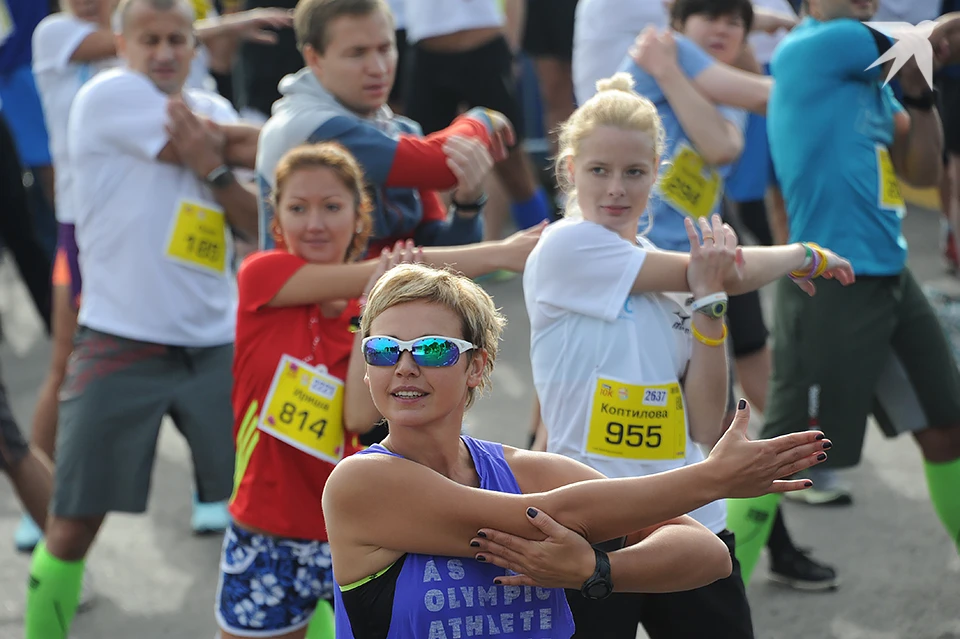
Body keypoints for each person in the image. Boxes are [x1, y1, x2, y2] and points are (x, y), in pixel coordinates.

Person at [505, 72, 852, 638]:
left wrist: (710, 304)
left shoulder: (678, 277)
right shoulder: (566, 248)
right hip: (591, 518)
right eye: (599, 171)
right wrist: (802, 254)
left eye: (634, 172)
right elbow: (725, 270)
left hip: (688, 518)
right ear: (570, 171)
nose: (616, 188)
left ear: (655, 177)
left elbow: (700, 419)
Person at [322, 261, 834, 639]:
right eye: (384, 350)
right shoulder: (360, 483)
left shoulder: (526, 470)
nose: (405, 366)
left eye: (433, 349)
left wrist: (596, 571)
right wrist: (711, 479)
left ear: (476, 367)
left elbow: (709, 555)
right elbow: (548, 515)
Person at [216, 141, 543, 639]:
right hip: (267, 528)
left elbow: (354, 418)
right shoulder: (263, 277)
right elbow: (393, 270)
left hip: (369, 527)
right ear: (276, 220)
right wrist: (503, 253)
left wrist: (367, 312)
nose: (315, 223)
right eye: (297, 208)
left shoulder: (386, 317)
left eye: (332, 206)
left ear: (359, 218)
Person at [23, 0, 262, 635]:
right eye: (149, 39)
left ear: (195, 46)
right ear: (122, 46)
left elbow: (252, 218)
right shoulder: (106, 96)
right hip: (120, 342)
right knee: (73, 522)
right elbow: (243, 154)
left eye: (177, 39)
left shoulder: (212, 110)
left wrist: (211, 163)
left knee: (278, 521)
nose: (163, 52)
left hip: (220, 345)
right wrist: (268, 145)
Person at [726, 0, 960, 587]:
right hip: (828, 278)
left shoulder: (876, 74)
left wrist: (922, 94)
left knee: (946, 428)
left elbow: (924, 170)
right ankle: (716, 595)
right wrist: (926, 46)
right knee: (781, 451)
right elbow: (928, 36)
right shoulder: (815, 46)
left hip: (891, 274)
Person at [624, 0, 837, 591]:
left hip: (710, 256)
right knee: (711, 422)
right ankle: (725, 558)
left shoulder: (694, 73)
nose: (720, 29)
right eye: (707, 16)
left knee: (738, 407)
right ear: (679, 25)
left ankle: (764, 535)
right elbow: (727, 142)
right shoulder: (666, 53)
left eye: (734, 20)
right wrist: (844, 52)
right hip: (656, 275)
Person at [256, 0, 517, 256]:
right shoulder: (306, 124)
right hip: (313, 298)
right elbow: (440, 165)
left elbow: (443, 254)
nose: (378, 68)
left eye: (385, 48)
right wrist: (481, 120)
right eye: (357, 53)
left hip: (380, 296)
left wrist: (467, 207)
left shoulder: (400, 129)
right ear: (314, 58)